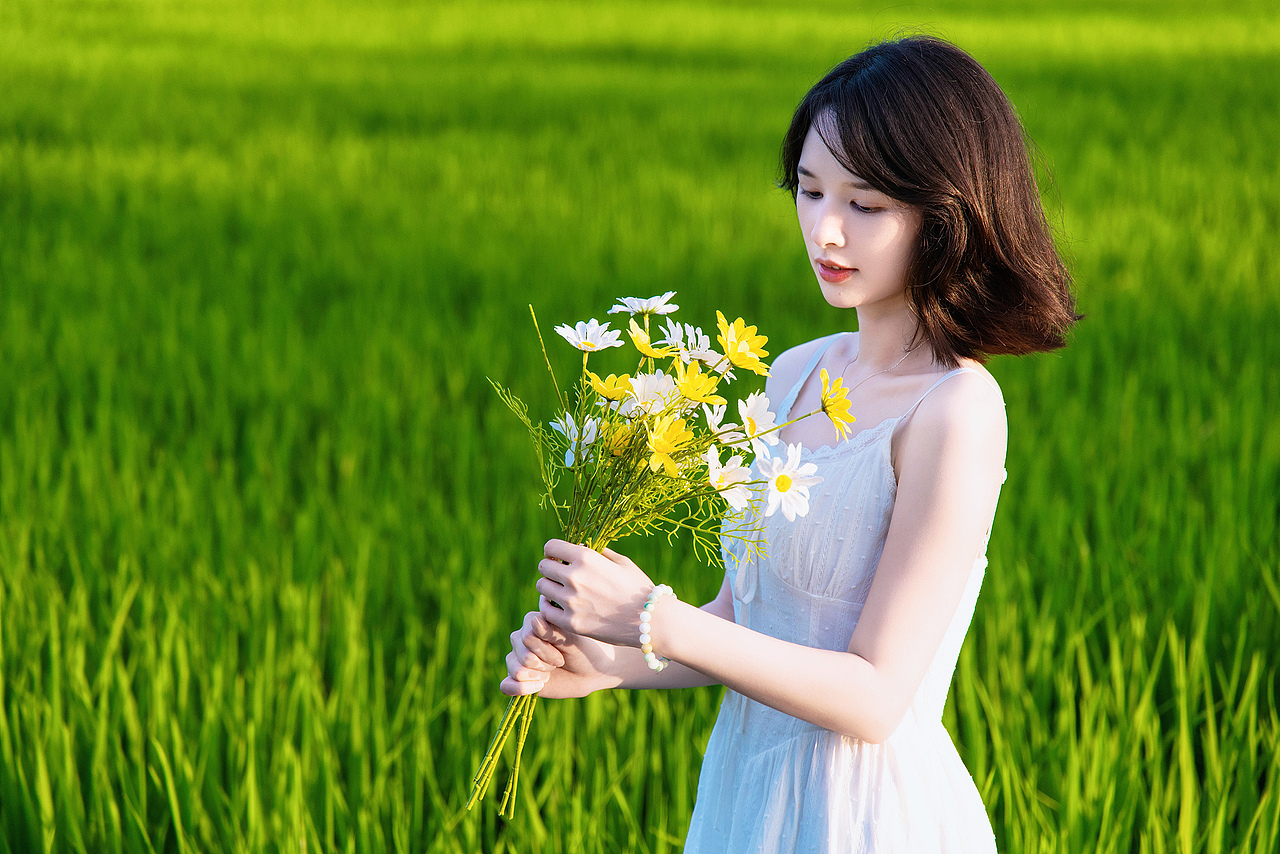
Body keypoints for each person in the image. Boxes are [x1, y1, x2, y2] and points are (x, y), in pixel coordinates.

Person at [500, 35, 1078, 852]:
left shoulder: (957, 410)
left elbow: (876, 697)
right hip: (745, 795)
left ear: (947, 216)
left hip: (865, 816)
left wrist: (651, 616)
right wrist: (611, 662)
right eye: (810, 192)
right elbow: (750, 619)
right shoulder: (796, 375)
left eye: (865, 206)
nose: (826, 232)